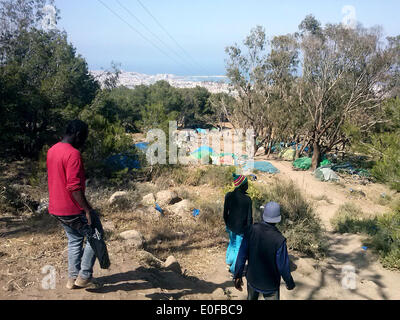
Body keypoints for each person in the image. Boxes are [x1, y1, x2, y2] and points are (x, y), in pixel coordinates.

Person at [47, 119, 101, 289]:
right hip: (72, 208)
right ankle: (84, 276)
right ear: (78, 135)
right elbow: (74, 187)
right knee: (96, 234)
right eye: (84, 137)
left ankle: (72, 279)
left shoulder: (52, 150)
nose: (84, 141)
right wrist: (87, 209)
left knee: (75, 239)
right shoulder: (73, 154)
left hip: (56, 207)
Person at [233, 201, 295, 300]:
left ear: (263, 215)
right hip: (271, 285)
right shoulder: (279, 240)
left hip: (252, 280)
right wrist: (289, 282)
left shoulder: (250, 230)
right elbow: (283, 266)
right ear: (277, 219)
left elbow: (242, 255)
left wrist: (237, 275)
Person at [223, 173, 253, 274]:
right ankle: (233, 270)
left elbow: (225, 213)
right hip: (241, 229)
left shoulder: (229, 196)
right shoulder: (247, 200)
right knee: (238, 249)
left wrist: (227, 223)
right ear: (242, 185)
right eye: (246, 184)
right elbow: (249, 218)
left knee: (232, 243)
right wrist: (249, 230)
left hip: (231, 226)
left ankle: (229, 261)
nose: (248, 186)